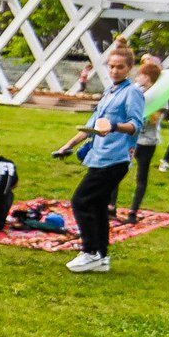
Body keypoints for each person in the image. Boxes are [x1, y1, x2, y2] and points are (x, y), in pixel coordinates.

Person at [66, 53, 146, 274]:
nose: (114, 71)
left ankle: (89, 252)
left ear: (130, 68)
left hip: (116, 157)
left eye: (120, 67)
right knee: (98, 205)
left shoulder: (132, 93)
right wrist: (69, 146)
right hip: (99, 156)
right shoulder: (110, 92)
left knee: (81, 201)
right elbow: (92, 125)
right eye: (111, 67)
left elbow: (136, 125)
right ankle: (101, 256)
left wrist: (114, 126)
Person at [126, 55, 165, 221]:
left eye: (139, 75)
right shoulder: (136, 92)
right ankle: (111, 207)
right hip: (131, 138)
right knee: (117, 170)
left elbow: (155, 120)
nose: (137, 78)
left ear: (147, 77)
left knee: (141, 176)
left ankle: (133, 212)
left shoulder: (160, 97)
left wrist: (143, 112)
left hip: (147, 141)